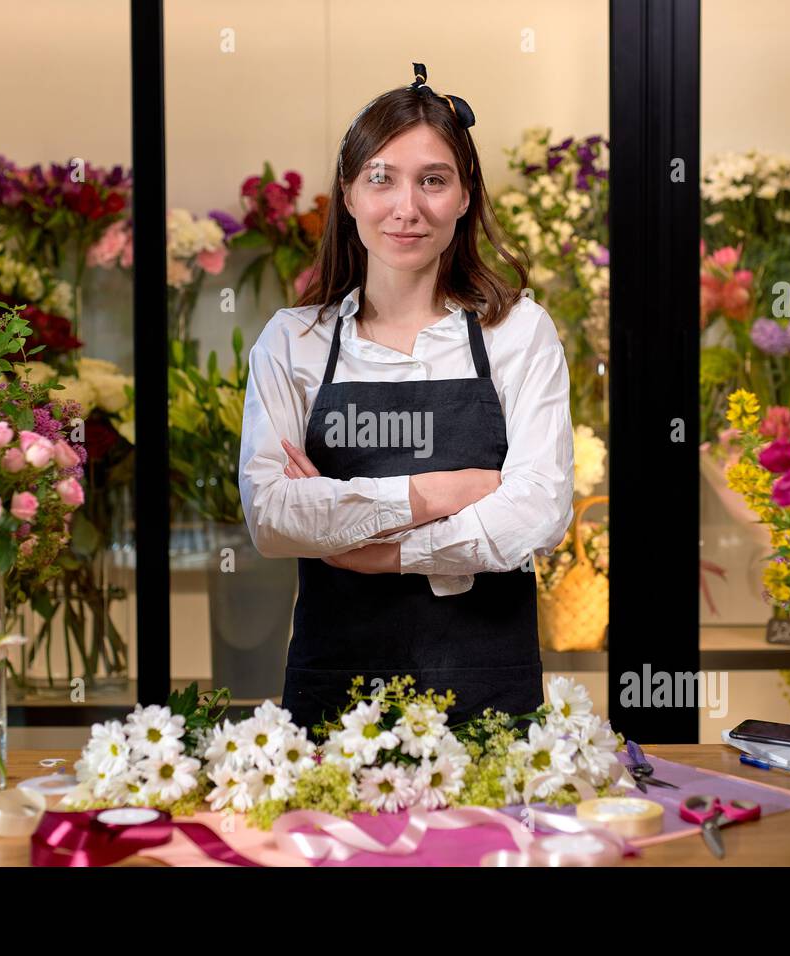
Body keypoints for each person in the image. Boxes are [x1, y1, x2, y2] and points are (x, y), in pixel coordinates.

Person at [237, 63, 574, 739]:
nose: (406, 207)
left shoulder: (517, 333)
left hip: (487, 690)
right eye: (381, 178)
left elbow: (539, 511)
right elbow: (273, 516)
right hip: (337, 692)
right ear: (350, 193)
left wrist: (375, 548)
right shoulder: (294, 341)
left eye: (434, 180)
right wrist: (442, 492)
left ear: (465, 195)